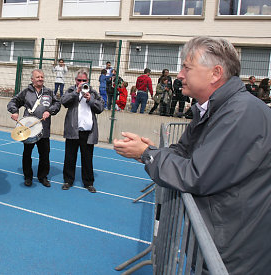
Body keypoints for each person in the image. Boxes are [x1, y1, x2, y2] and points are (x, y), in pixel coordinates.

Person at [113, 36, 271, 274]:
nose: (179, 74)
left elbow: (195, 175)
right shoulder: (214, 108)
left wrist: (148, 154)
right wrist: (149, 152)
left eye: (187, 67)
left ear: (215, 73)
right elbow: (183, 151)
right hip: (223, 236)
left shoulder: (239, 113)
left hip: (234, 248)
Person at [7, 69, 61, 187]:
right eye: (37, 77)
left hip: (44, 129)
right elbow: (13, 102)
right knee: (27, 154)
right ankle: (28, 177)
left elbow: (57, 104)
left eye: (42, 77)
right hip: (28, 130)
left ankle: (43, 176)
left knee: (45, 154)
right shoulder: (26, 92)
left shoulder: (49, 92)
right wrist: (15, 111)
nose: (40, 79)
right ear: (32, 79)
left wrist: (49, 111)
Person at [61, 69, 105, 193]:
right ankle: (68, 180)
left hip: (87, 132)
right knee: (70, 157)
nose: (81, 82)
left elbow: (100, 108)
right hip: (73, 130)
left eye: (84, 80)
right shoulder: (71, 90)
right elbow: (63, 101)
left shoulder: (93, 93)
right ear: (75, 81)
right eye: (79, 80)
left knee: (87, 158)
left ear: (88, 81)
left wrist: (90, 99)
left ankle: (88, 183)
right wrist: (76, 92)